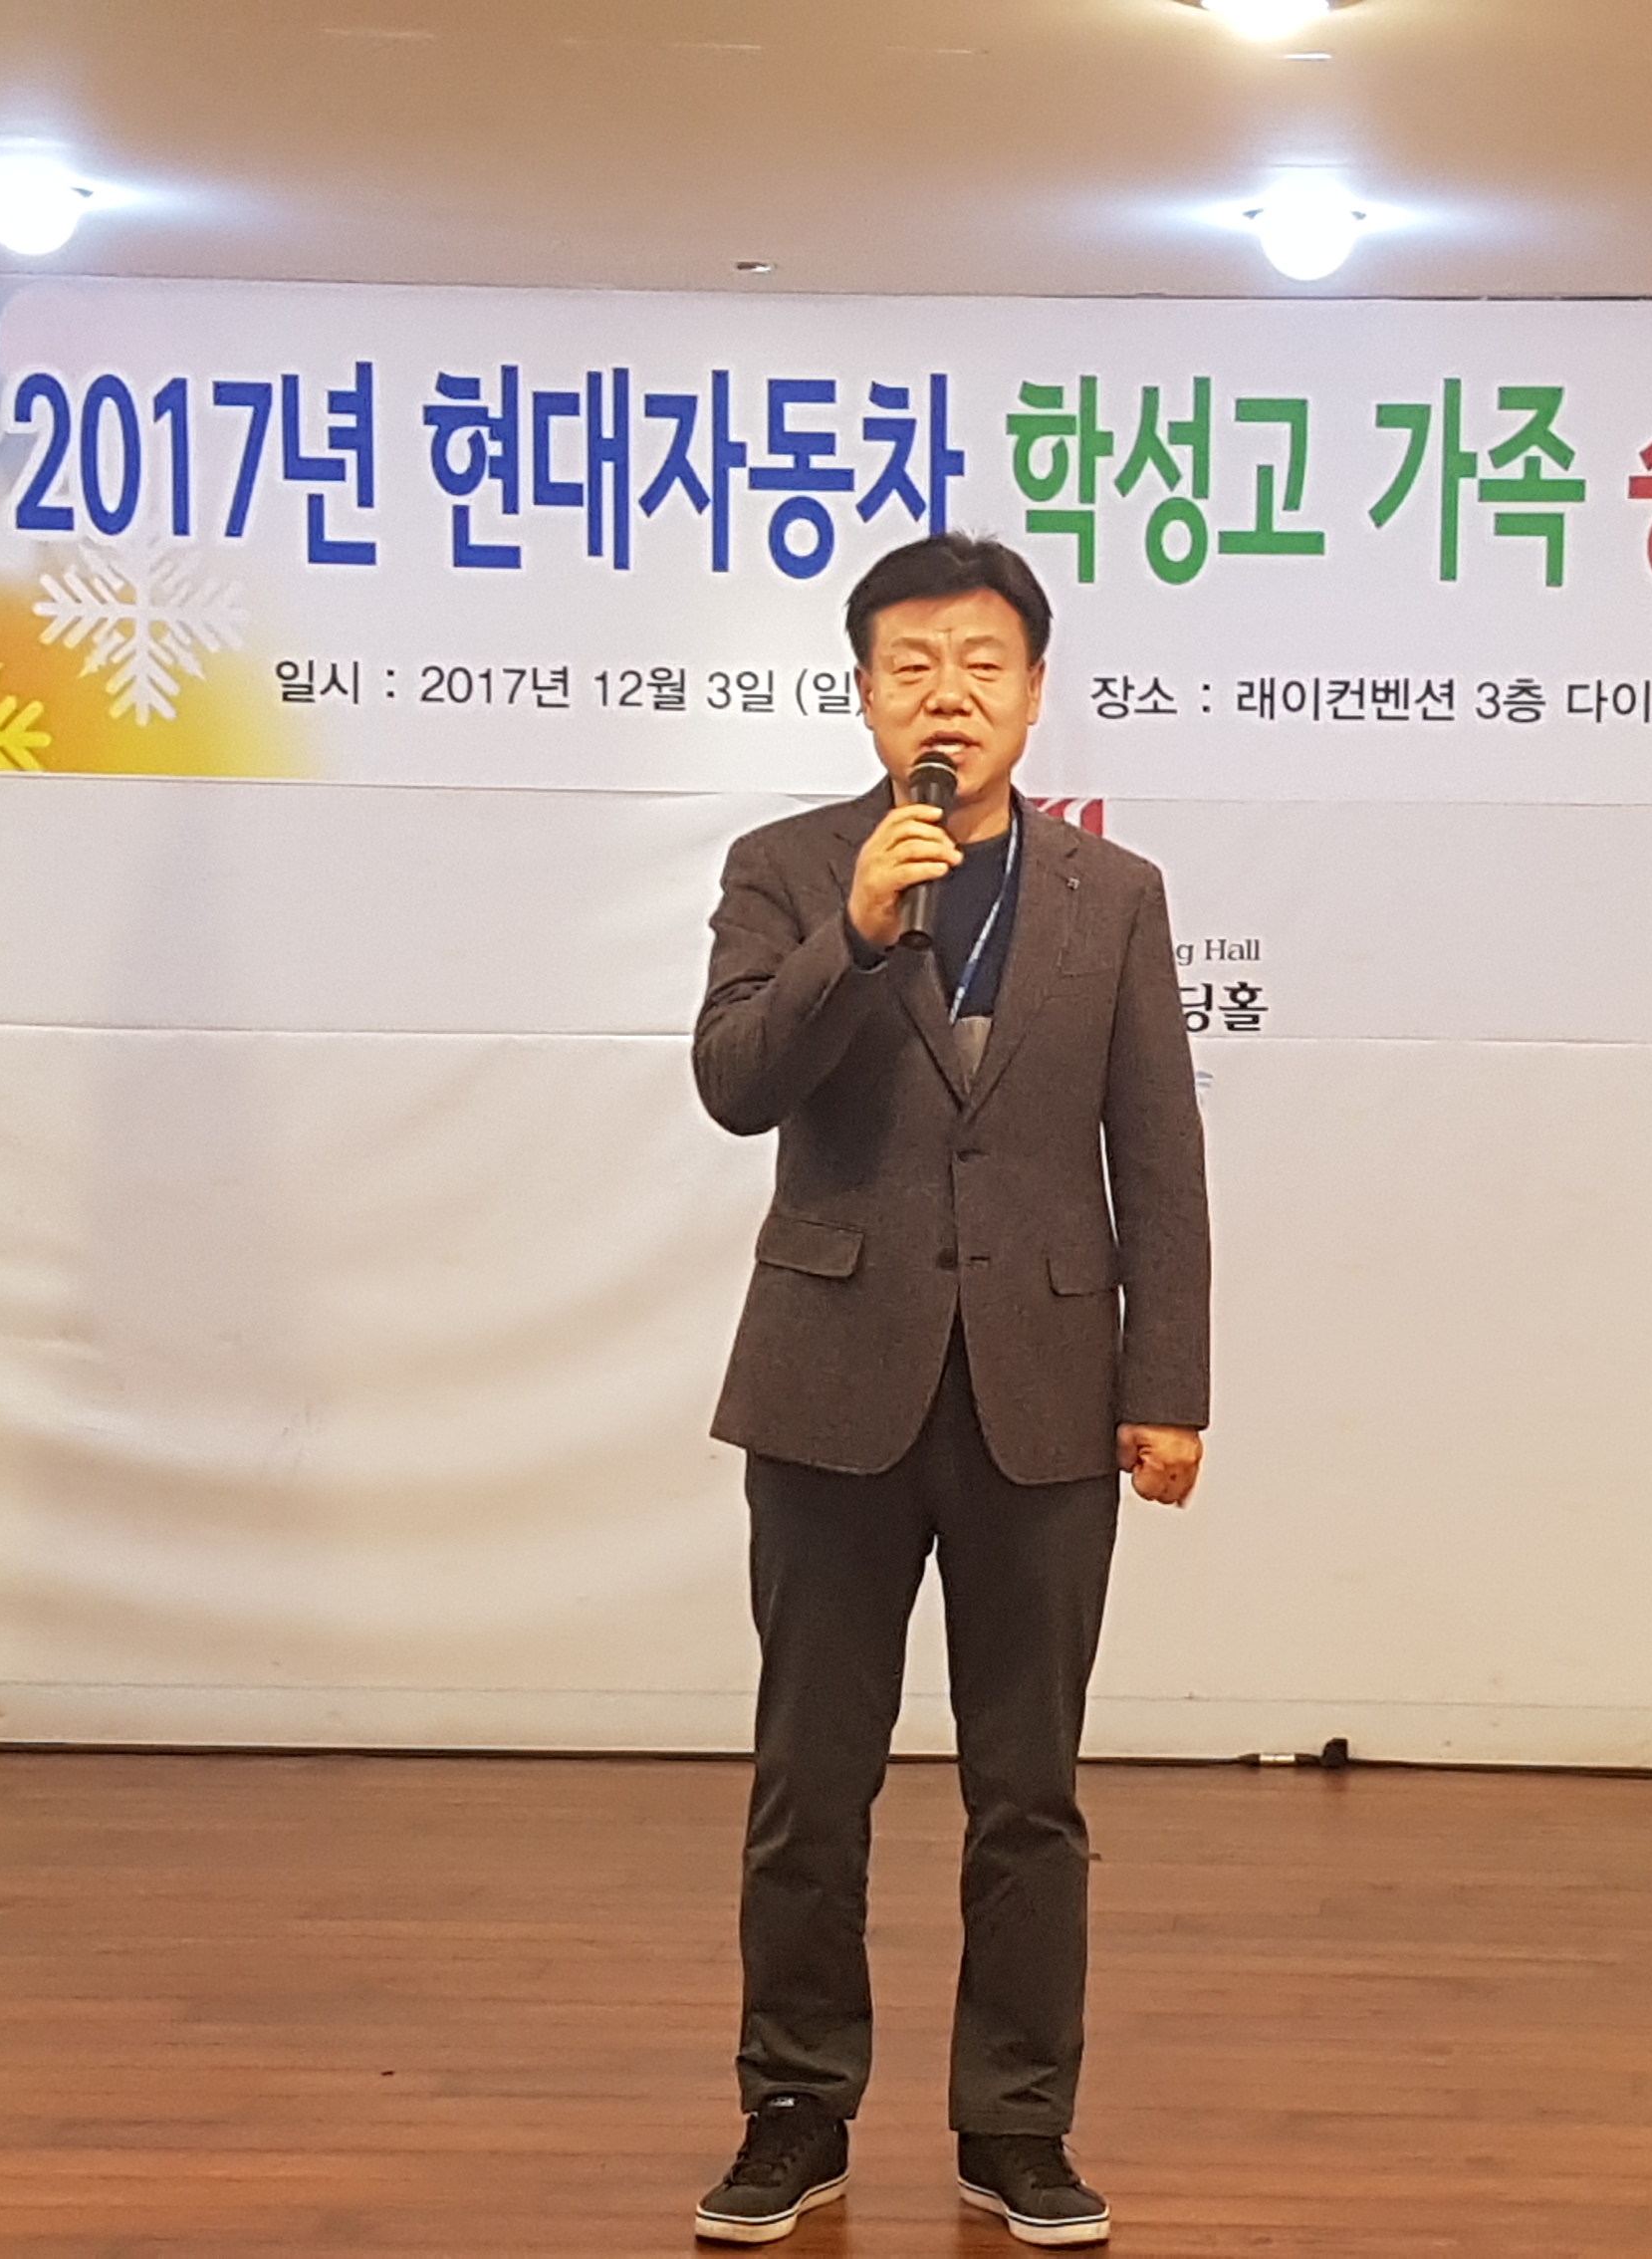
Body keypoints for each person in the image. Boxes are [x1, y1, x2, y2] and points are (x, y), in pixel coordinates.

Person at [686, 533, 1209, 2249]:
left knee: (1029, 1790)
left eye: (983, 665)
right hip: (831, 1383)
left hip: (1042, 1393)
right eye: (911, 666)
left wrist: (1169, 1379)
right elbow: (736, 1085)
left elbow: (1158, 1152)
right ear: (863, 693)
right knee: (808, 1780)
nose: (948, 696)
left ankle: (1017, 2125)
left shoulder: (1112, 895)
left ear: (1036, 694)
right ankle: (794, 2108)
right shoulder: (790, 869)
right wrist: (852, 933)